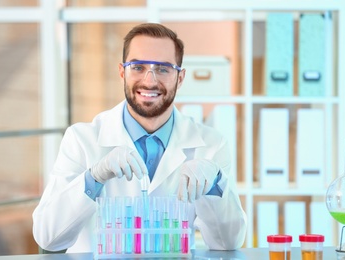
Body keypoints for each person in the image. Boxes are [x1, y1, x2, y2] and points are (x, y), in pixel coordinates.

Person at [32, 22, 247, 253]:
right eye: (138, 67)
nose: (150, 80)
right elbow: (48, 237)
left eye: (163, 68)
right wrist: (94, 178)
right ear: (122, 71)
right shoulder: (81, 139)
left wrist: (214, 184)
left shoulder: (211, 144)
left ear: (180, 78)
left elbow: (229, 243)